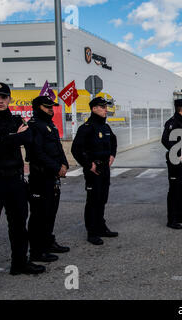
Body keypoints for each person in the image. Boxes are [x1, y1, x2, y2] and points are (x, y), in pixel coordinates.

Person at [0, 82, 45, 275]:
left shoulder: (15, 119)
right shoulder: (15, 125)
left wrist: (5, 139)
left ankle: (19, 263)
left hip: (15, 180)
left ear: (9, 99)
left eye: (3, 97)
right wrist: (13, 138)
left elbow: (30, 138)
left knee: (18, 225)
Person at [26, 96, 70, 263]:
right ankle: (37, 251)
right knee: (39, 215)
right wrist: (56, 167)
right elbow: (37, 153)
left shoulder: (49, 124)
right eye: (47, 107)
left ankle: (48, 242)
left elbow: (58, 147)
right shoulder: (34, 126)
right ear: (38, 107)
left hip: (52, 176)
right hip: (40, 176)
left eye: (52, 107)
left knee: (50, 212)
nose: (51, 109)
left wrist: (64, 164)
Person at [72, 97, 118, 245]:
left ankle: (101, 227)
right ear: (94, 109)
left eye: (106, 107)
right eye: (102, 107)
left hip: (105, 168)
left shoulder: (105, 127)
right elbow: (76, 149)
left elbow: (113, 141)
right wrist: (88, 165)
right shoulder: (87, 127)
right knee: (93, 200)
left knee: (102, 199)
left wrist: (112, 155)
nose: (106, 109)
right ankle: (92, 232)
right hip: (94, 170)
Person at [162, 99, 182, 230]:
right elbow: (164, 140)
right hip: (175, 161)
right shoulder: (172, 123)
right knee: (174, 190)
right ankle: (172, 219)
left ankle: (180, 215)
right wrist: (176, 152)